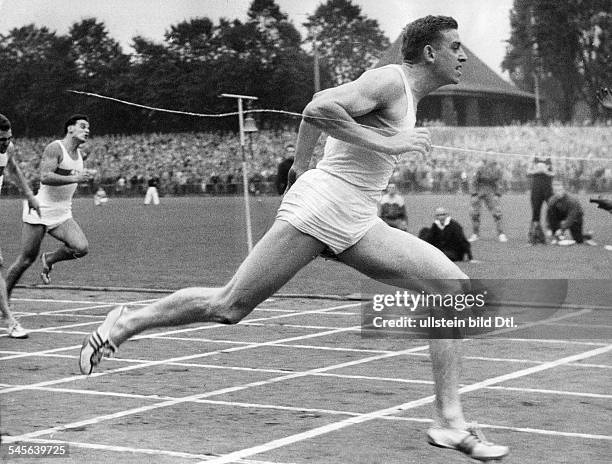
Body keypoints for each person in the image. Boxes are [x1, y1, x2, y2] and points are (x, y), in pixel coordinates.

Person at [80, 16, 508, 461]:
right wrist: (387, 146)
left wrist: (299, 166)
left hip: (358, 217)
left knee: (453, 289)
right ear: (429, 53)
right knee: (230, 306)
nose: (462, 56)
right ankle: (125, 322)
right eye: (455, 47)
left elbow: (318, 113)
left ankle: (449, 421)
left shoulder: (408, 97)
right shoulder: (389, 82)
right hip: (323, 208)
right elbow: (317, 109)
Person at [6, 114, 96, 291]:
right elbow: (45, 177)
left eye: (88, 128)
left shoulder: (80, 154)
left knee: (81, 247)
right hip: (41, 209)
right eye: (83, 126)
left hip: (62, 213)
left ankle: (49, 259)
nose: (87, 131)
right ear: (70, 128)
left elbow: (70, 177)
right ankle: (4, 300)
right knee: (25, 259)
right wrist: (77, 177)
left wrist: (79, 177)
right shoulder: (55, 148)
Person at [0, 114, 41, 338]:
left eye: (8, 138)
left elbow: (13, 169)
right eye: (1, 140)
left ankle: (9, 320)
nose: (5, 143)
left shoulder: (8, 149)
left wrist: (29, 196)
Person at [468, 157, 507, 243]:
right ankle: (475, 234)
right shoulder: (480, 168)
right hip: (479, 191)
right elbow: (473, 181)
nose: (491, 159)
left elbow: (499, 182)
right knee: (475, 214)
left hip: (491, 192)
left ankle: (501, 234)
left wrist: (497, 194)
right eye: (489, 156)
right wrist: (474, 194)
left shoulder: (497, 169)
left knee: (497, 213)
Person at [547, 181, 597, 246]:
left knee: (578, 240)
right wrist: (549, 228)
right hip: (563, 213)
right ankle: (556, 237)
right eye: (556, 190)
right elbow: (549, 215)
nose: (558, 192)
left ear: (563, 190)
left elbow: (571, 217)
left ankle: (587, 236)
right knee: (551, 213)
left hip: (576, 216)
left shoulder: (572, 200)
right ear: (553, 191)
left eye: (560, 190)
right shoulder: (552, 200)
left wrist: (561, 229)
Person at [527, 152, 554, 245]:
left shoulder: (550, 158)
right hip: (536, 188)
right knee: (536, 210)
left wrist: (546, 172)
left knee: (552, 208)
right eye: (541, 145)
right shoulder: (534, 158)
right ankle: (534, 234)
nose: (543, 148)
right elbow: (528, 172)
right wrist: (537, 171)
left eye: (545, 145)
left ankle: (551, 229)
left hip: (548, 188)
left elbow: (555, 172)